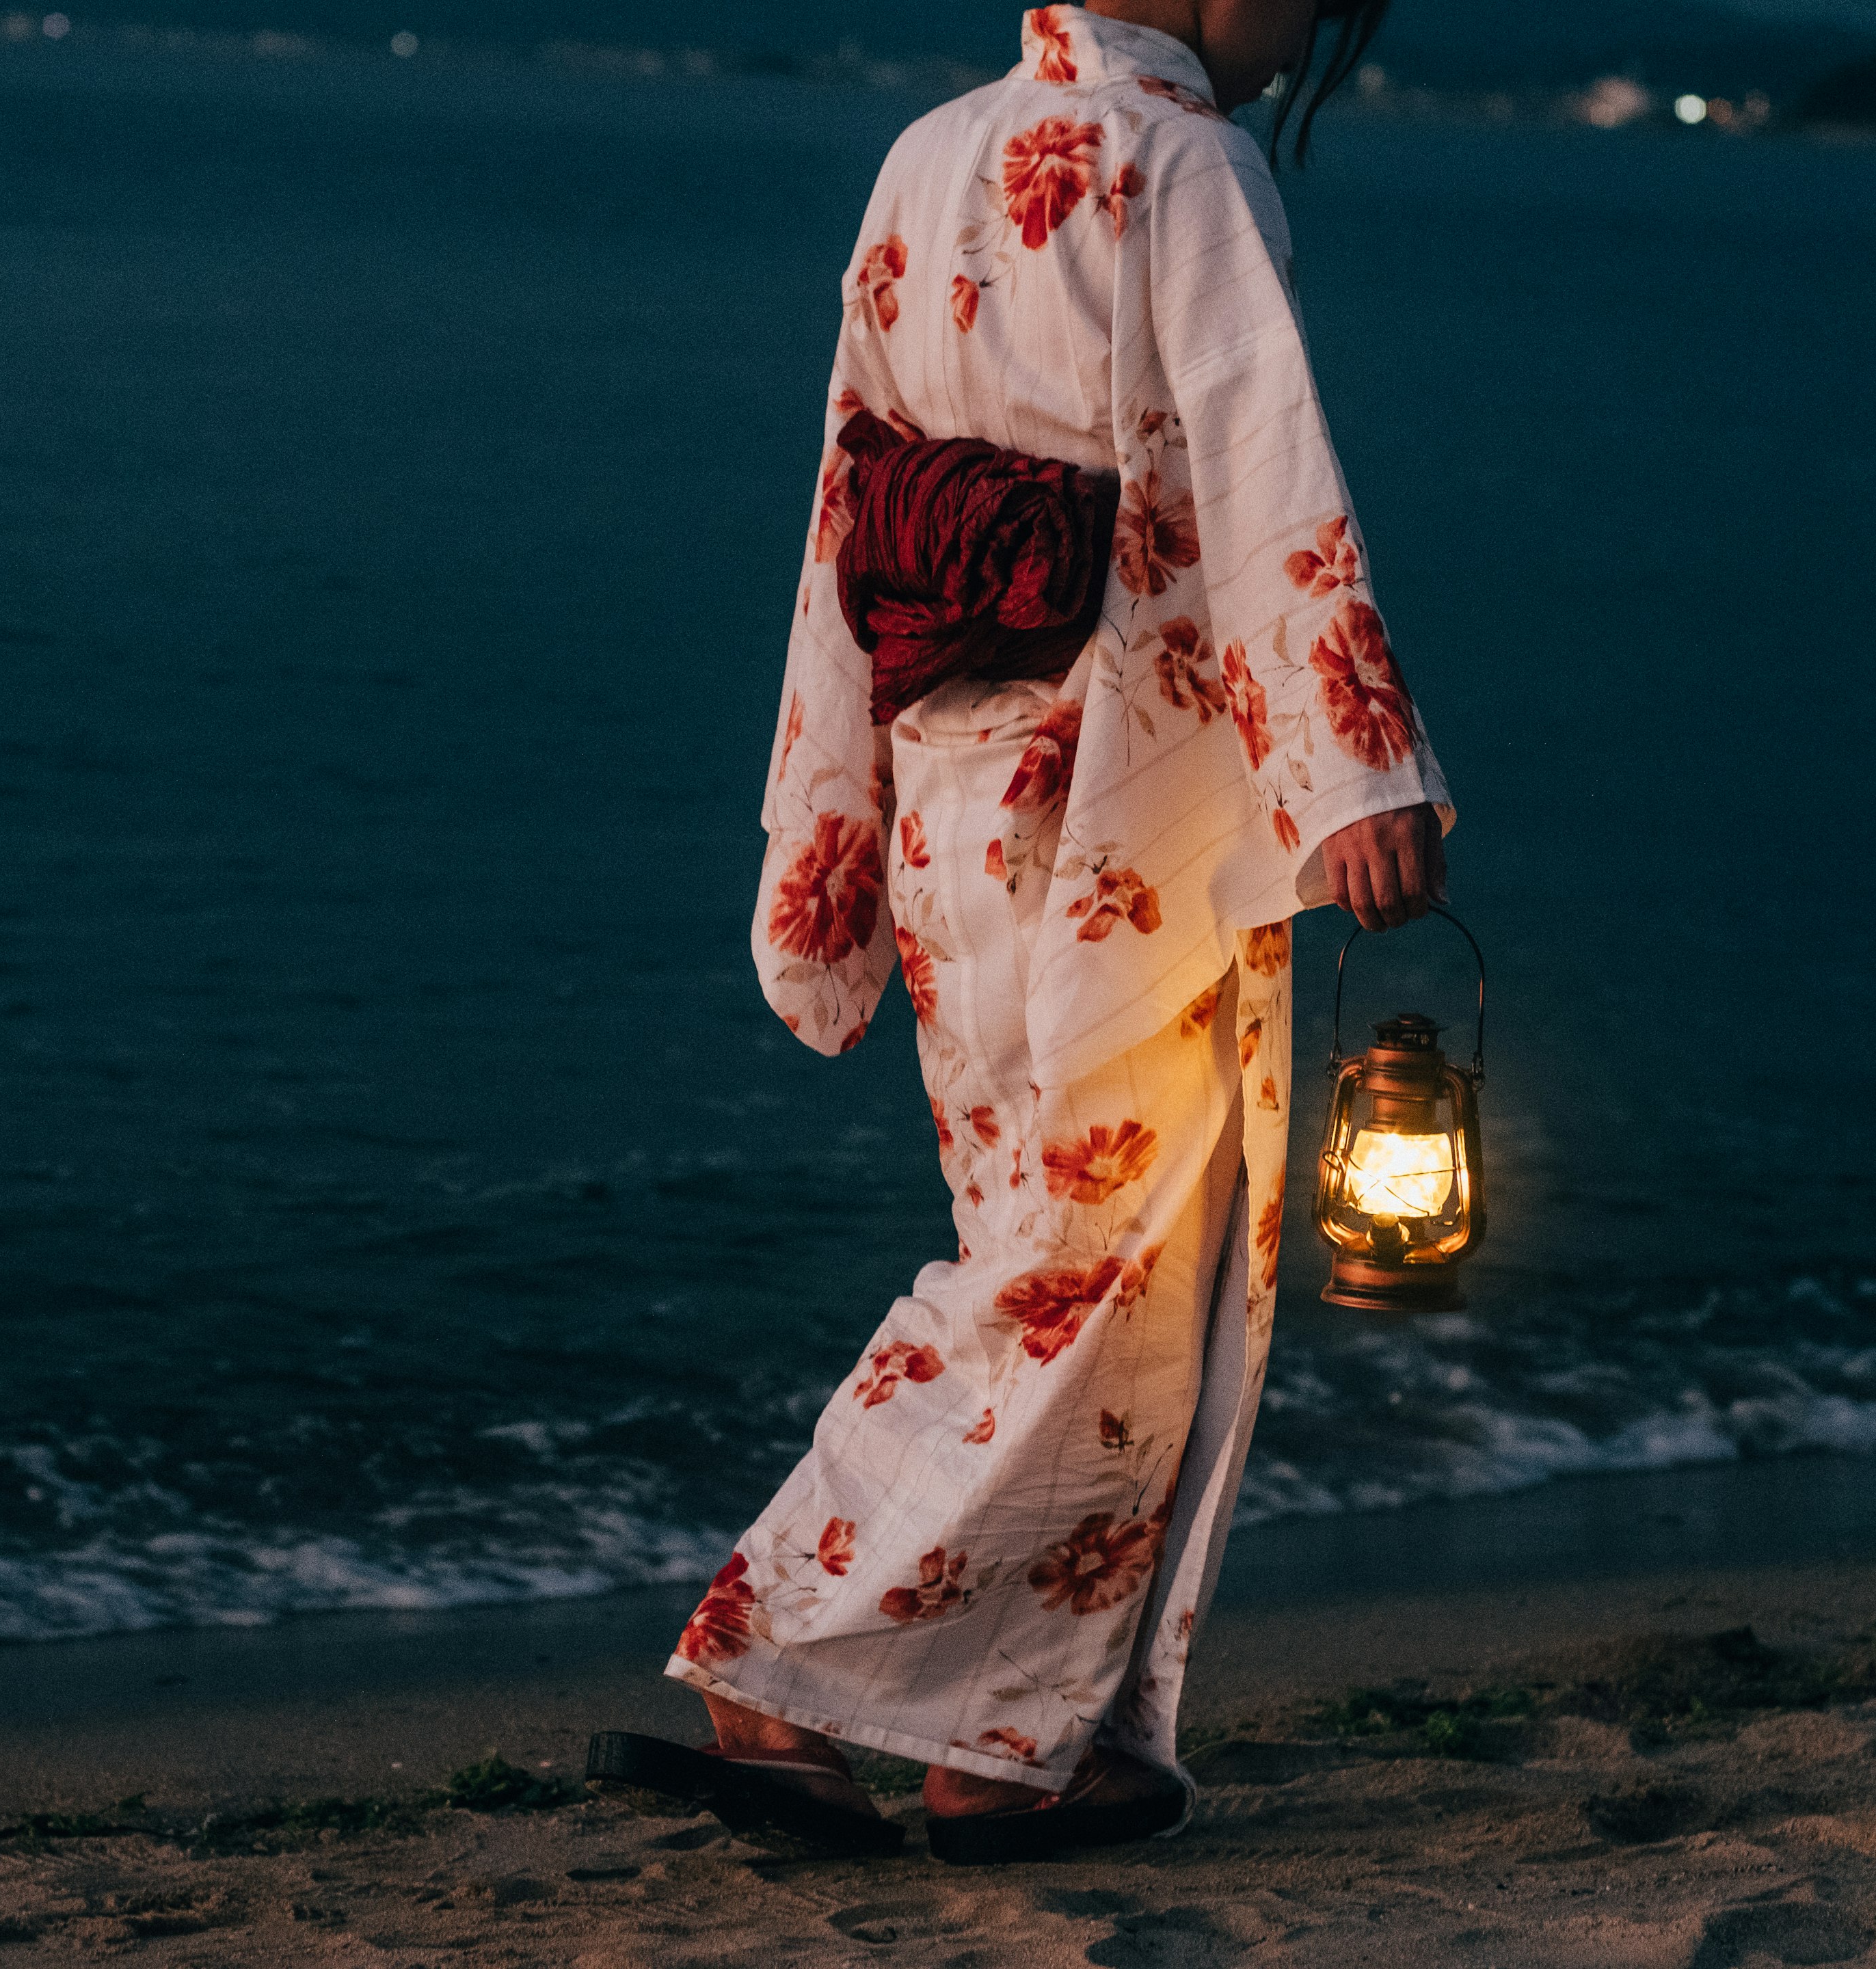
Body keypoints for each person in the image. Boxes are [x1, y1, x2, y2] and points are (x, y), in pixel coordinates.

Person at [589, 0, 1451, 1866]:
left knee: (1054, 1249)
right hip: (1119, 810)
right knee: (1103, 1269)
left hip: (946, 797)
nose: (1304, 29)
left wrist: (831, 822)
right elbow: (1257, 462)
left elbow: (852, 519)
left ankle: (1016, 1741)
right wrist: (1353, 769)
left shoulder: (927, 155)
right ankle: (786, 1656)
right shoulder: (1187, 165)